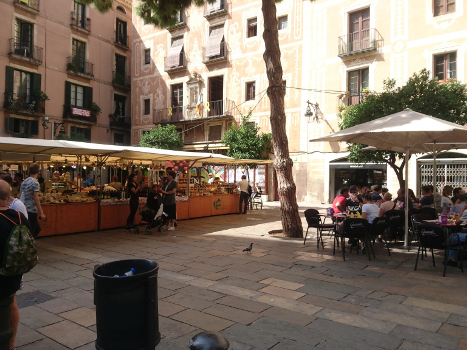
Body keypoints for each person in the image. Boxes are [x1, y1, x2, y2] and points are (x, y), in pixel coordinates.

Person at [0, 179, 31, 350]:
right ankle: (11, 344)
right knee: (12, 303)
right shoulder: (19, 216)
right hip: (13, 272)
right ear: (8, 196)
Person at [19, 163, 46, 238]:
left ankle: (29, 244)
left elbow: (20, 195)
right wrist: (41, 213)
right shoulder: (35, 183)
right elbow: (36, 198)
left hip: (24, 208)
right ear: (38, 172)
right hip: (31, 209)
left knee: (36, 229)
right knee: (32, 231)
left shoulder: (24, 182)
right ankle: (28, 246)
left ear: (28, 172)